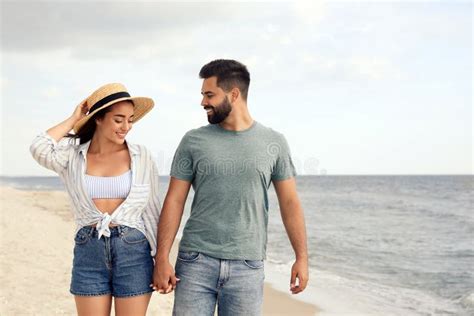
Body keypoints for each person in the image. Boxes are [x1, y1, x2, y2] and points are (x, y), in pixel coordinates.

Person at [152, 59, 309, 315]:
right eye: (203, 94)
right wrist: (162, 257)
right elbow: (174, 200)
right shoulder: (193, 141)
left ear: (234, 94)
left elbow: (290, 202)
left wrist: (301, 257)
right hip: (195, 262)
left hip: (247, 266)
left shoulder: (274, 143)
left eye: (209, 94)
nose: (203, 102)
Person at [30, 83, 161, 316]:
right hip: (88, 250)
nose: (126, 127)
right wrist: (74, 118)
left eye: (130, 120)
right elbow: (39, 147)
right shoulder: (72, 156)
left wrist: (160, 259)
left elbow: (151, 212)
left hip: (133, 250)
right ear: (98, 119)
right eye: (118, 119)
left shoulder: (141, 156)